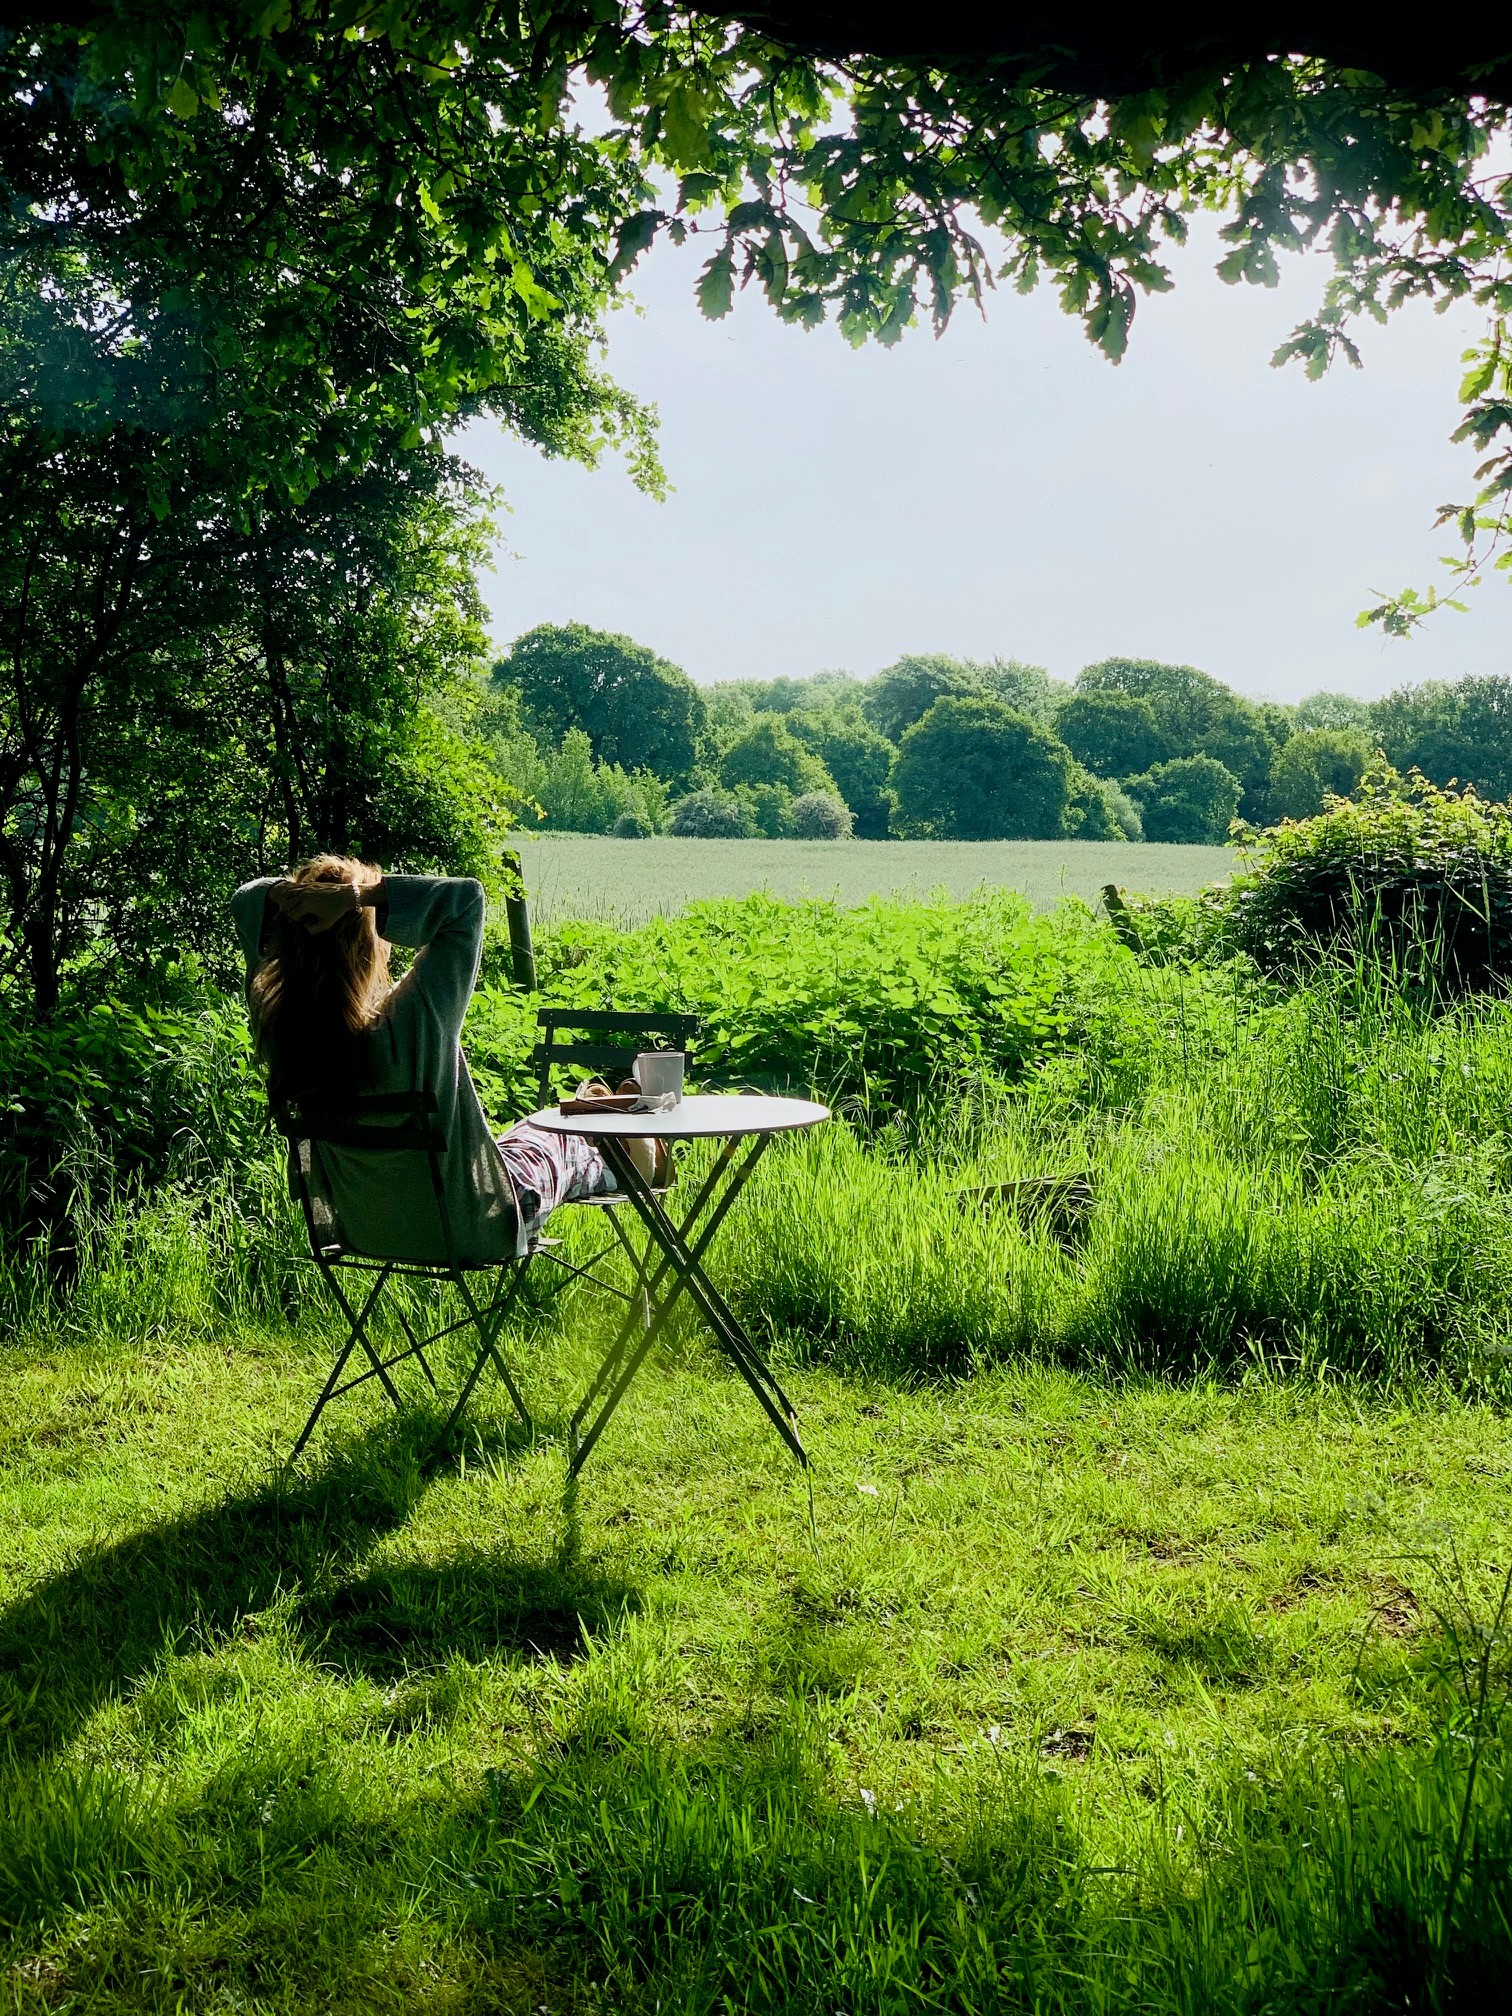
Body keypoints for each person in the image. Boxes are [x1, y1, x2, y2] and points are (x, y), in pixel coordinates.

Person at [231, 855, 657, 1263]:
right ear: (366, 945)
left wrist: (298, 899)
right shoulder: (413, 1023)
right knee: (558, 1137)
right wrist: (356, 896)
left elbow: (245, 899)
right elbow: (466, 899)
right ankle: (628, 1156)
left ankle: (607, 1129)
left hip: (362, 1230)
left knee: (527, 1132)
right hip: (471, 1228)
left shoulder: (284, 1033)